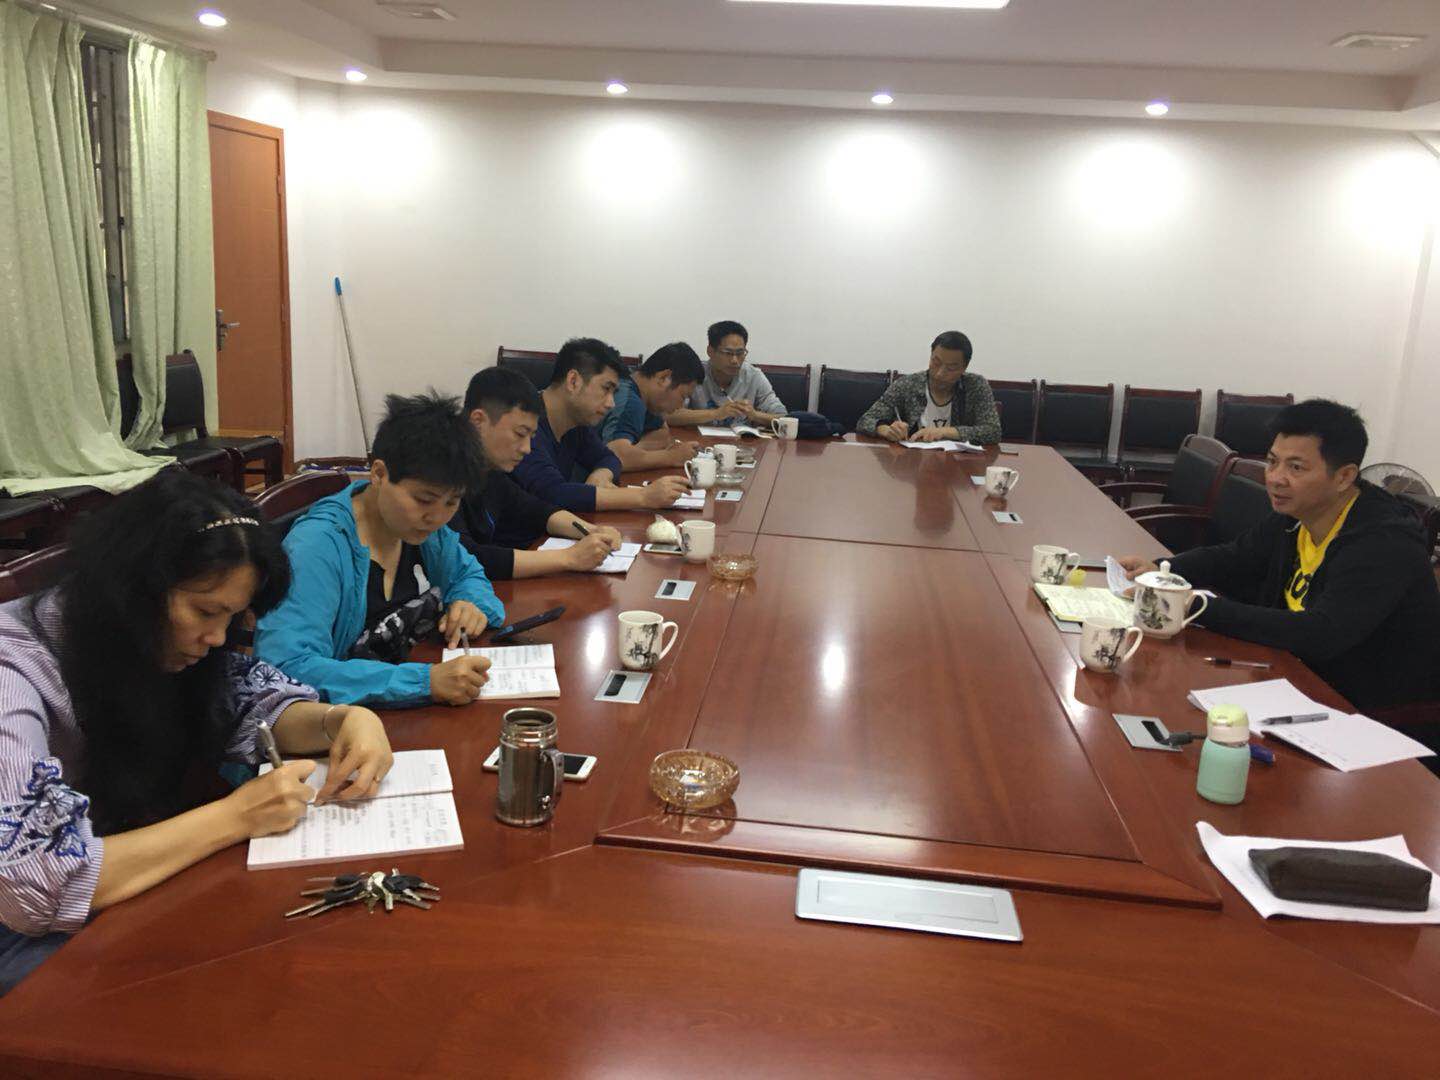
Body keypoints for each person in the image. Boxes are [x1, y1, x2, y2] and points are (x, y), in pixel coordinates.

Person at [0, 469, 393, 992]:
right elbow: (37, 879)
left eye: (231, 617)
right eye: (206, 612)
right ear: (134, 588)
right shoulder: (14, 670)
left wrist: (341, 719)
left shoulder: (144, 640)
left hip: (129, 877)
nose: (217, 637)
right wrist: (235, 816)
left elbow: (251, 701)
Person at [1118, 399, 1440, 712]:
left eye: (1295, 467)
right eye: (1273, 462)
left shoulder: (1383, 542)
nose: (1275, 478)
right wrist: (1161, 570)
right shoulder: (1298, 514)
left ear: (1344, 476)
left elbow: (1321, 633)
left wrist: (1194, 605)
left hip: (1371, 710)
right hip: (1292, 675)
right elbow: (1235, 557)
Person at [255, 392, 503, 708]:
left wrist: (469, 602)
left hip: (407, 701)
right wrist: (422, 682)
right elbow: (286, 666)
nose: (437, 517)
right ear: (379, 474)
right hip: (344, 719)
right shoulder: (317, 547)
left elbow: (468, 574)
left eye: (452, 502)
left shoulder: (422, 530)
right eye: (423, 500)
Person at [451, 366, 625, 578]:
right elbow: (465, 557)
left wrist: (590, 530)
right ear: (478, 421)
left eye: (531, 437)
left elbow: (534, 509)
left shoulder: (488, 468)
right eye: (520, 434)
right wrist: (569, 558)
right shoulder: (442, 470)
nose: (527, 448)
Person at [510, 338, 690, 513]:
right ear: (573, 381)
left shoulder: (576, 423)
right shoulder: (524, 426)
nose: (611, 403)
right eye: (606, 389)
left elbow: (609, 457)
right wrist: (643, 496)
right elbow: (555, 493)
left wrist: (601, 474)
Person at [856, 331, 1002, 445]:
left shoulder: (975, 386)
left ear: (964, 367)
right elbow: (866, 420)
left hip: (959, 466)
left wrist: (944, 432)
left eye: (951, 368)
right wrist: (886, 430)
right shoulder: (908, 384)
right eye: (936, 362)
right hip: (913, 463)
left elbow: (993, 431)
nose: (940, 373)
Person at [599, 343, 704, 472]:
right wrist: (672, 456)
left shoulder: (646, 397)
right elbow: (615, 457)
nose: (681, 405)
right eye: (683, 396)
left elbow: (663, 433)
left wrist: (636, 449)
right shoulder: (631, 402)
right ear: (664, 378)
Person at [668, 320, 787, 428]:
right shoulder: (694, 373)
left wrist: (755, 415)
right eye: (728, 353)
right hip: (699, 442)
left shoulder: (753, 376)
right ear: (710, 351)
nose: (735, 360)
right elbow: (669, 414)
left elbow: (784, 418)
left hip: (743, 443)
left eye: (740, 353)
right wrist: (716, 413)